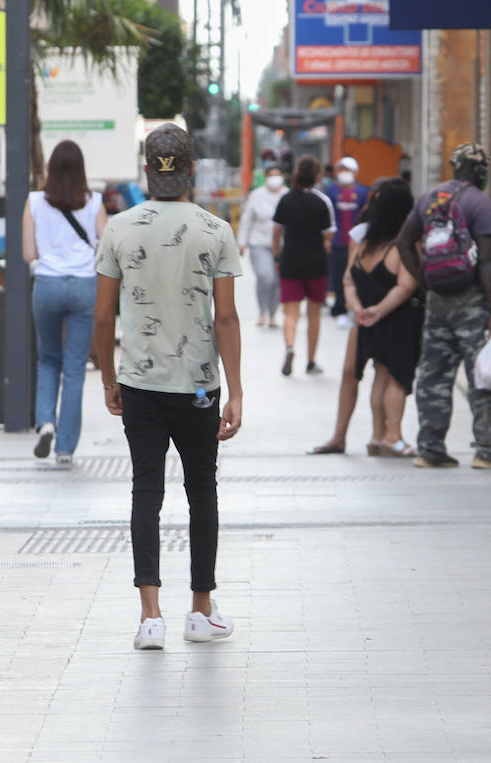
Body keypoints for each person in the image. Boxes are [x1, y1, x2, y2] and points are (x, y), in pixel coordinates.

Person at [92, 123, 245, 649]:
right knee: (202, 491)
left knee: (146, 491)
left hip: (139, 382)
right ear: (191, 170)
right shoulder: (215, 229)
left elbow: (101, 317)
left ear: (145, 170)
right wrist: (238, 391)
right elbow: (225, 318)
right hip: (199, 384)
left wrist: (110, 380)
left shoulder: (118, 228)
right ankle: (201, 610)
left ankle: (149, 616)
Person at [396, 141, 491, 469]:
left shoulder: (430, 198)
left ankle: (429, 448)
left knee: (433, 374)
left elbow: (403, 242)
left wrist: (423, 281)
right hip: (471, 300)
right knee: (481, 374)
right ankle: (487, 450)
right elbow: (487, 260)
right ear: (480, 170)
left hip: (437, 302)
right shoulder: (479, 203)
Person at [23, 140, 108, 465]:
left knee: (48, 359)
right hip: (84, 285)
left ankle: (46, 421)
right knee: (74, 367)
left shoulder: (33, 203)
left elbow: (29, 254)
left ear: (51, 168)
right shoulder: (94, 202)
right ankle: (65, 449)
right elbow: (106, 246)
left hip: (46, 284)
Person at [348, 178, 423, 456]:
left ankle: (377, 435)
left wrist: (359, 308)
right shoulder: (401, 245)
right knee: (397, 378)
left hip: (367, 322)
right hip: (398, 320)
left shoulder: (363, 242)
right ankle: (394, 436)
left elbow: (348, 280)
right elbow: (407, 285)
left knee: (379, 376)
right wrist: (379, 311)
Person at [271, 155, 335, 376]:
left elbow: (276, 231)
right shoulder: (322, 202)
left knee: (291, 312)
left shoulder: (286, 200)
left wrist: (276, 257)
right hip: (316, 263)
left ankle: (289, 347)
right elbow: (328, 236)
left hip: (290, 261)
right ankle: (311, 361)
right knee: (314, 314)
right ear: (317, 176)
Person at [238, 165, 286, 327]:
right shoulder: (256, 195)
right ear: (265, 178)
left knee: (277, 281)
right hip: (259, 243)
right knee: (266, 277)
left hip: (281, 246)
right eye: (271, 175)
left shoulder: (286, 194)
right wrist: (242, 242)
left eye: (277, 174)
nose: (274, 178)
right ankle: (262, 311)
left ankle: (272, 314)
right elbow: (247, 219)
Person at [325, 156, 369, 320]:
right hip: (338, 241)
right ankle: (339, 307)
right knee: (338, 275)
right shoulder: (331, 191)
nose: (344, 173)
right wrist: (328, 239)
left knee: (356, 273)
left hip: (358, 242)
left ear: (355, 172)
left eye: (347, 170)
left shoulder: (363, 192)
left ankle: (355, 305)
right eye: (342, 170)